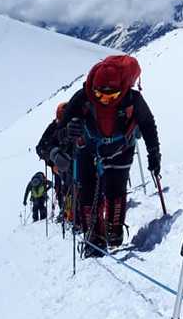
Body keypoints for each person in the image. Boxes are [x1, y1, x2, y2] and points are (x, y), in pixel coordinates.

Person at [60, 55, 160, 256]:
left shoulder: (132, 100)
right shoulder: (83, 98)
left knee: (115, 190)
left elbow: (148, 125)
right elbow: (61, 129)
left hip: (117, 149)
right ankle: (95, 238)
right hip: (94, 149)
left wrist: (154, 154)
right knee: (88, 193)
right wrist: (69, 130)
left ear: (122, 89)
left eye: (112, 97)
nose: (105, 100)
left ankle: (112, 234)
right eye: (100, 95)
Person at [36, 102, 72, 218]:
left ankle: (73, 214)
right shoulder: (53, 128)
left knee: (71, 188)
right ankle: (66, 213)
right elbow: (40, 147)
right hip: (59, 165)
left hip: (73, 163)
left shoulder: (74, 124)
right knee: (62, 189)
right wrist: (52, 162)